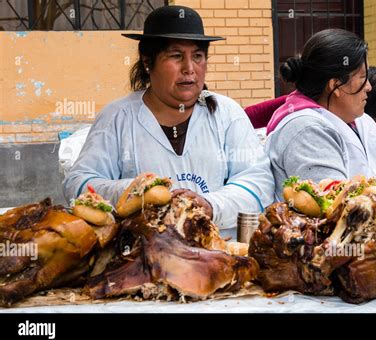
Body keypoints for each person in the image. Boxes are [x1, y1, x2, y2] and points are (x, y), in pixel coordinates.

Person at [63, 5, 274, 229]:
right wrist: (138, 191)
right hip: (143, 255)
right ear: (147, 61)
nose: (189, 68)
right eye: (176, 56)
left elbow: (258, 182)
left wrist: (211, 205)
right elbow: (78, 184)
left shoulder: (227, 114)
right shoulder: (118, 118)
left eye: (198, 56)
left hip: (217, 253)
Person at [264, 29, 376, 200]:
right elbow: (336, 206)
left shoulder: (363, 121)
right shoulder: (306, 131)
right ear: (336, 85)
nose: (369, 87)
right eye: (363, 77)